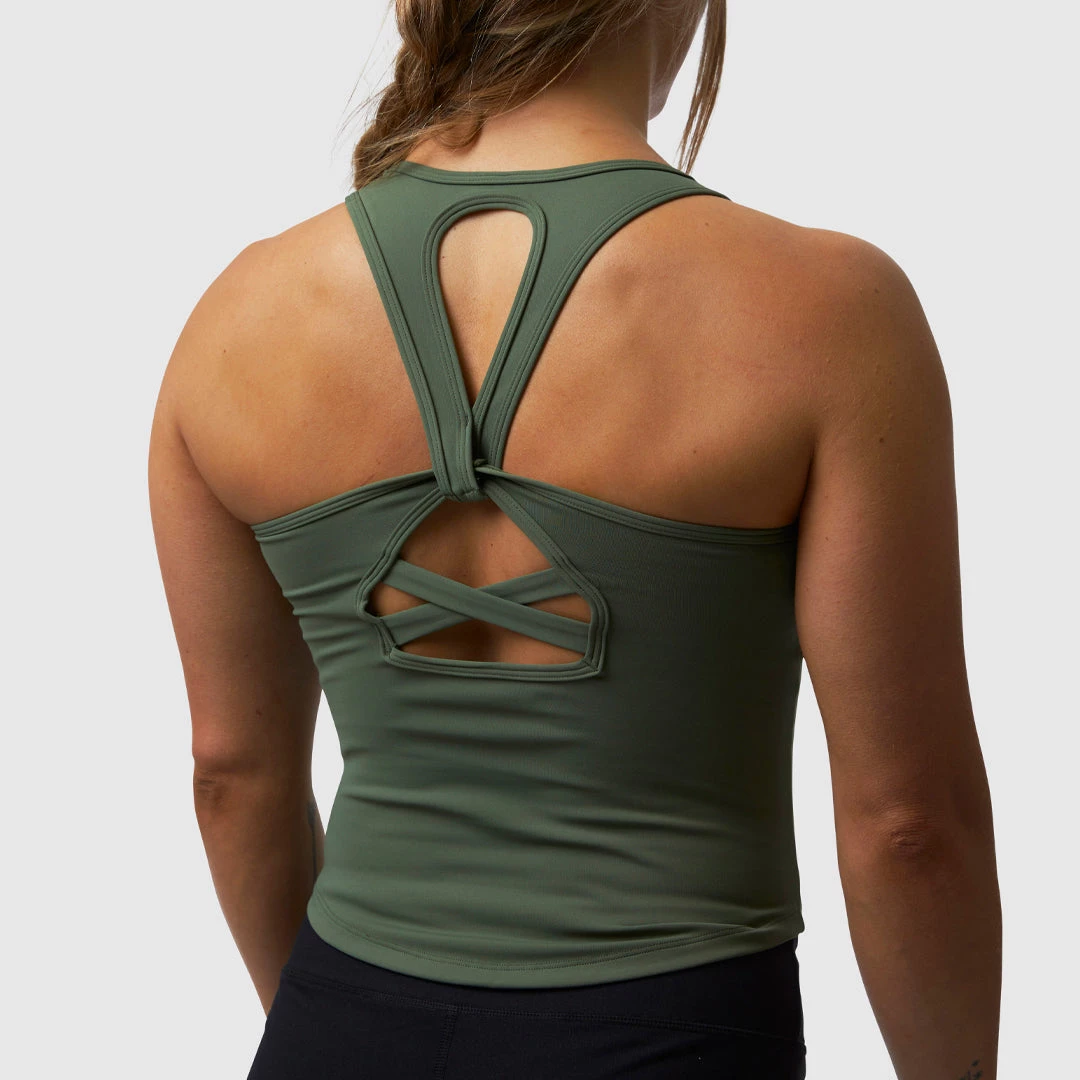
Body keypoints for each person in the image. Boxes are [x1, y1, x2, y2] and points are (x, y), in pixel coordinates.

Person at [147, 1, 1001, 1077]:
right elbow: (909, 827)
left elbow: (230, 776)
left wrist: (340, 1026)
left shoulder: (234, 319)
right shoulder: (828, 310)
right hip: (677, 1032)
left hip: (342, 1021)